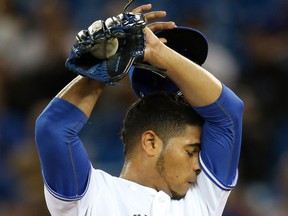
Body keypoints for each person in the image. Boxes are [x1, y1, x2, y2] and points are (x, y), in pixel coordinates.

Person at [35, 3, 244, 216]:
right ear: (150, 142)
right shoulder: (91, 197)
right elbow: (53, 129)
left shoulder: (204, 198)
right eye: (190, 152)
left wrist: (157, 52)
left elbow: (229, 113)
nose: (198, 165)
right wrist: (106, 63)